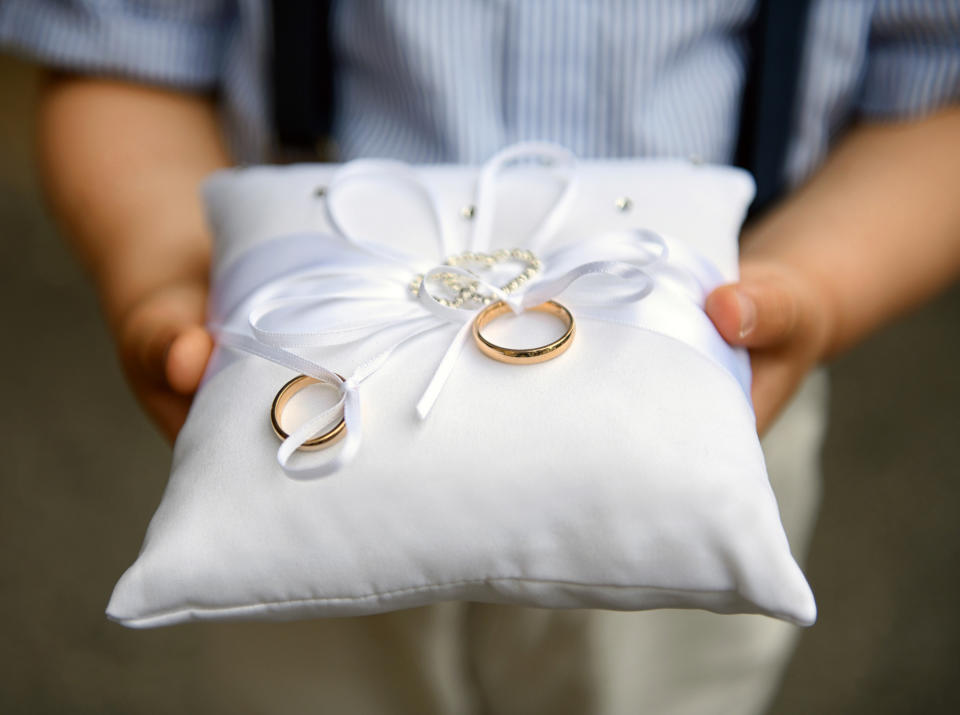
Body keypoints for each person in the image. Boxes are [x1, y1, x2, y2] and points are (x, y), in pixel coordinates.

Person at [2, 1, 959, 712]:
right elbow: (120, 53)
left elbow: (939, 84)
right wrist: (158, 272)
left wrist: (816, 289)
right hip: (313, 415)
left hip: (706, 391)